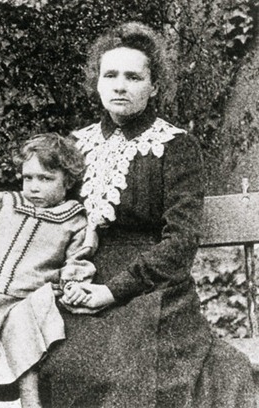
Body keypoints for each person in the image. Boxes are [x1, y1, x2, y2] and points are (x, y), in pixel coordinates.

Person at [37, 22, 256, 407]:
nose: (120, 86)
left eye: (134, 77)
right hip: (81, 280)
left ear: (154, 86)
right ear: (97, 83)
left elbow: (181, 240)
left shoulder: (175, 146)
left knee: (122, 373)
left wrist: (111, 292)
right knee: (63, 364)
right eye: (110, 75)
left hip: (151, 287)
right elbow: (51, 219)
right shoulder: (76, 145)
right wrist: (65, 273)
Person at [0, 133, 98, 408]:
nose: (34, 187)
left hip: (28, 299)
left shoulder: (74, 221)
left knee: (24, 326)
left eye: (45, 179)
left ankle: (31, 403)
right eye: (28, 178)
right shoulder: (2, 203)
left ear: (68, 181)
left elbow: (78, 260)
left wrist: (73, 284)